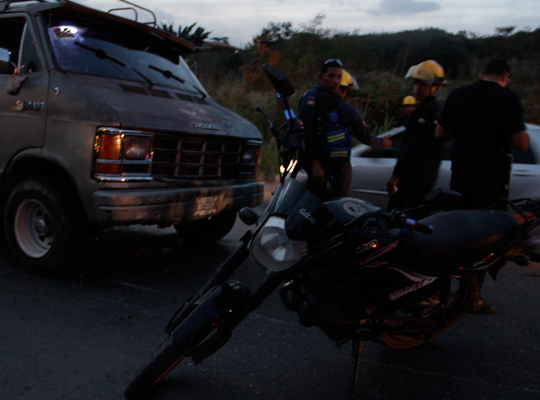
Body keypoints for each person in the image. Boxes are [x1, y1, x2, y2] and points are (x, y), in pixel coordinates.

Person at [435, 58, 529, 313]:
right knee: (486, 236)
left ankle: (437, 289)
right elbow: (521, 144)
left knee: (457, 229)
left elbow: (440, 133)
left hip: (461, 173)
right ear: (505, 77)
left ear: (481, 74)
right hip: (491, 177)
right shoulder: (508, 98)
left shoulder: (458, 94)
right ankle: (472, 295)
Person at [298, 60, 390, 200]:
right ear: (321, 77)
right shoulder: (314, 98)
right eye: (330, 76)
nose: (335, 81)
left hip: (337, 167)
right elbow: (305, 133)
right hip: (323, 167)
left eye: (338, 77)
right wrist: (384, 143)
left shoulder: (340, 107)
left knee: (332, 206)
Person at [386, 60, 446, 216]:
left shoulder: (424, 113)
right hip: (425, 178)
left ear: (435, 87)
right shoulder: (435, 111)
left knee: (397, 217)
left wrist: (395, 177)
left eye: (423, 84)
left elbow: (413, 147)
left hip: (412, 179)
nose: (417, 88)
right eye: (415, 83)